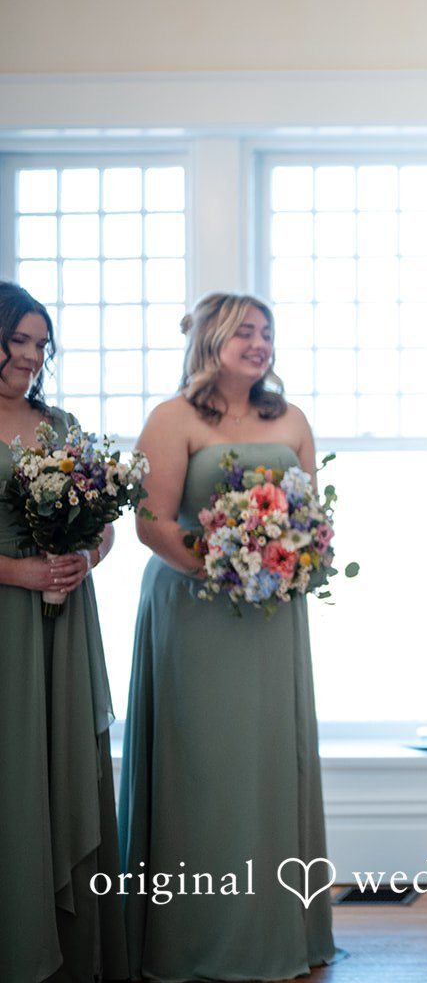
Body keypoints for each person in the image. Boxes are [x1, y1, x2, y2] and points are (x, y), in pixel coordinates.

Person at [120, 292, 341, 979]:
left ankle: (276, 933)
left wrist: (298, 555)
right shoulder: (173, 417)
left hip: (271, 616)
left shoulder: (291, 419)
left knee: (268, 761)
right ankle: (192, 937)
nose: (259, 343)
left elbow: (310, 513)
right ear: (212, 339)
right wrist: (222, 567)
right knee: (203, 768)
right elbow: (152, 522)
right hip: (195, 612)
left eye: (267, 333)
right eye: (245, 331)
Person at [0, 282, 131, 983]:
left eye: (40, 344)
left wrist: (84, 556)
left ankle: (72, 956)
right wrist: (18, 574)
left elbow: (104, 524)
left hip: (63, 626)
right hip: (6, 619)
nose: (30, 355)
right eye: (18, 339)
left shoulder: (62, 425)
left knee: (60, 772)